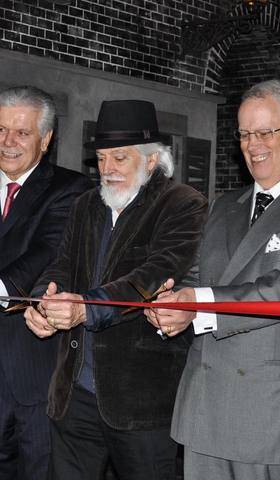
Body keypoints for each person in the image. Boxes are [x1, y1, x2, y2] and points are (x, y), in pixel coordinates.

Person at [146, 79, 280, 480]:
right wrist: (169, 304)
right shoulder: (225, 205)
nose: (251, 144)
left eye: (263, 132)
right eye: (243, 134)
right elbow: (195, 276)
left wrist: (196, 306)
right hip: (206, 411)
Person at [24, 99, 208, 480]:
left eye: (119, 159)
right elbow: (61, 265)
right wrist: (46, 302)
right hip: (75, 394)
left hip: (140, 401)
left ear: (152, 160)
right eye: (102, 158)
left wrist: (85, 309)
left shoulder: (182, 204)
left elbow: (154, 275)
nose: (107, 169)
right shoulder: (86, 203)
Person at [0, 85, 92, 480]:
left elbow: (46, 251)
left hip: (32, 369)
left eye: (21, 132)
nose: (8, 142)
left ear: (46, 139)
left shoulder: (71, 190)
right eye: (1, 129)